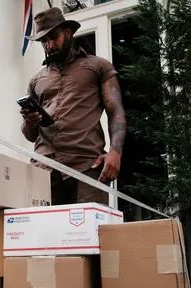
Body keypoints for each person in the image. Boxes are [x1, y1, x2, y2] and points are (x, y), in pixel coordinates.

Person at [21, 7, 127, 206]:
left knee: (90, 233)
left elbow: (116, 110)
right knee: (45, 234)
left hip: (87, 166)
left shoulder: (98, 66)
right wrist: (30, 121)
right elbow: (29, 135)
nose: (49, 45)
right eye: (44, 41)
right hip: (44, 171)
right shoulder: (36, 80)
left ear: (68, 33)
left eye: (53, 37)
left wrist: (115, 152)